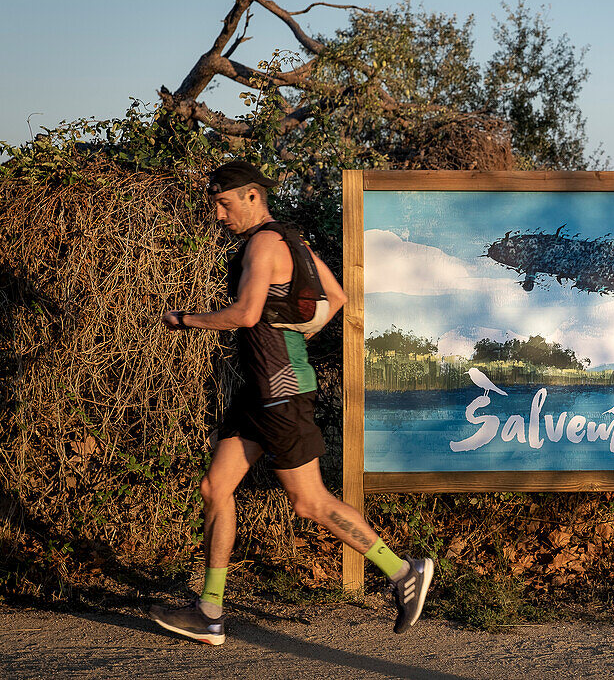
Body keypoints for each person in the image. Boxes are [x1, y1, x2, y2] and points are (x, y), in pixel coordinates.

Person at [150, 160, 432, 645]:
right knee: (215, 486)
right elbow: (337, 297)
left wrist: (185, 319)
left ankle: (403, 569)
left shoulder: (263, 242)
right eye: (215, 204)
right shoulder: (293, 239)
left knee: (309, 502)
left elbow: (245, 313)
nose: (219, 215)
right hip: (258, 392)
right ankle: (210, 612)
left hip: (281, 393)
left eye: (224, 203)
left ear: (252, 196)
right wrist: (301, 329)